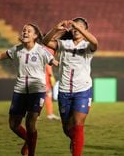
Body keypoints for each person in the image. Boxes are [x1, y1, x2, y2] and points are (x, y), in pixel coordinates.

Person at [0, 23, 58, 156]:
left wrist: (67, 65)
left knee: (30, 123)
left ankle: (31, 153)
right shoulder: (17, 49)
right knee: (13, 125)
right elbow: (0, 56)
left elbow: (55, 62)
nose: (25, 32)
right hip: (20, 90)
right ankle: (30, 140)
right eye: (23, 30)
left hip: (37, 90)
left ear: (35, 36)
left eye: (28, 31)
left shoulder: (41, 50)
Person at [42, 17, 98, 156]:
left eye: (80, 26)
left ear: (85, 30)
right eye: (74, 26)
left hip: (83, 90)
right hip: (64, 91)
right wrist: (55, 28)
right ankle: (75, 141)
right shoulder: (64, 44)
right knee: (67, 129)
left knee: (78, 124)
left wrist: (77, 27)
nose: (76, 28)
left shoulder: (87, 46)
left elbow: (95, 42)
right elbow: (45, 42)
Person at [45, 47, 60, 120]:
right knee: (48, 96)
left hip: (40, 81)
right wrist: (52, 78)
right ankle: (50, 114)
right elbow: (49, 71)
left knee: (38, 98)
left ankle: (34, 114)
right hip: (45, 82)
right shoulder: (48, 59)